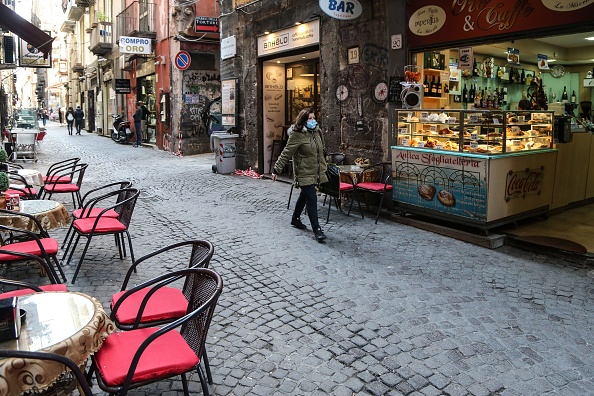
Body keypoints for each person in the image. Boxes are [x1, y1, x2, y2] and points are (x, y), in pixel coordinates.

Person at [272, 108, 328, 242]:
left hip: (315, 171)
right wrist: (276, 169)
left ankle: (295, 219)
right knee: (312, 198)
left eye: (314, 118)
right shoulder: (297, 134)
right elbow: (287, 152)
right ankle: (317, 230)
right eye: (309, 118)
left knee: (305, 195)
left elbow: (322, 150)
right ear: (303, 120)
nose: (312, 121)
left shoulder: (317, 132)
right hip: (303, 172)